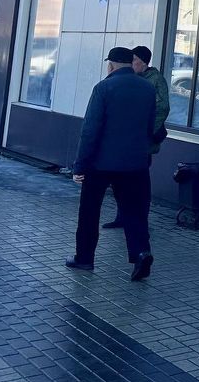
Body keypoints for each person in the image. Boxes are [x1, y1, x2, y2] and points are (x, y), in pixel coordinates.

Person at [66, 47, 159, 281]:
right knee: (135, 212)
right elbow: (151, 126)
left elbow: (90, 130)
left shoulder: (103, 88)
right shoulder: (148, 89)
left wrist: (80, 165)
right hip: (136, 163)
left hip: (101, 163)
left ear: (111, 65)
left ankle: (84, 258)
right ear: (131, 63)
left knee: (89, 211)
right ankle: (141, 252)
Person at [103, 45, 170, 230]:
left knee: (140, 182)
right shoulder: (130, 78)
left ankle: (140, 219)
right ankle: (122, 216)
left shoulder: (156, 80)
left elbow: (163, 108)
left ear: (144, 62)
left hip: (143, 142)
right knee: (119, 179)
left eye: (134, 60)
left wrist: (146, 131)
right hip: (126, 139)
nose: (131, 64)